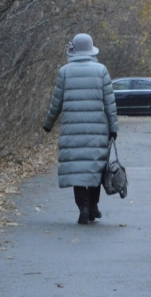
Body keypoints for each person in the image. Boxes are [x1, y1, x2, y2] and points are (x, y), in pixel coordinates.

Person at [43, 33, 119, 225]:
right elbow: (109, 103)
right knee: (95, 169)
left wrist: (49, 124)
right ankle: (93, 206)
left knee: (77, 169)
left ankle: (83, 207)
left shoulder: (65, 71)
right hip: (97, 131)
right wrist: (113, 127)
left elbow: (56, 103)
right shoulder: (101, 70)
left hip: (72, 131)